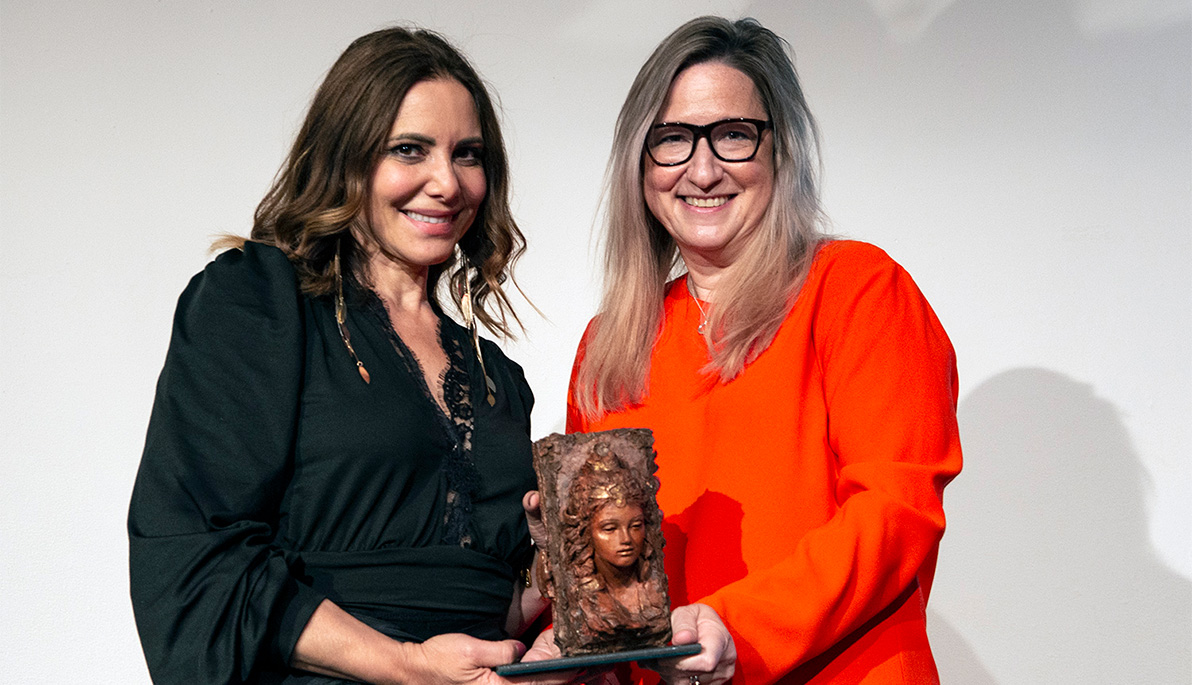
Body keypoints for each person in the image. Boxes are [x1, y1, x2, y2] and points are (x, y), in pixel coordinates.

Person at [128, 27, 557, 684]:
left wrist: (545, 584)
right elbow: (195, 553)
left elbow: (476, 611)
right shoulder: (258, 305)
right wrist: (407, 664)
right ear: (346, 158)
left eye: (467, 154)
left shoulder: (499, 379)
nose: (446, 181)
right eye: (409, 149)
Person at [566, 16, 963, 685]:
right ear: (640, 164)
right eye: (671, 139)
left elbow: (894, 513)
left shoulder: (858, 290)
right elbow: (606, 579)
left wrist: (737, 626)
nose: (702, 167)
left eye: (732, 135)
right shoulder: (609, 344)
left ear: (778, 151)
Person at [561, 450, 667, 645]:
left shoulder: (652, 594)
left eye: (636, 526)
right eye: (609, 528)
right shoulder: (584, 603)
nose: (626, 539)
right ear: (585, 532)